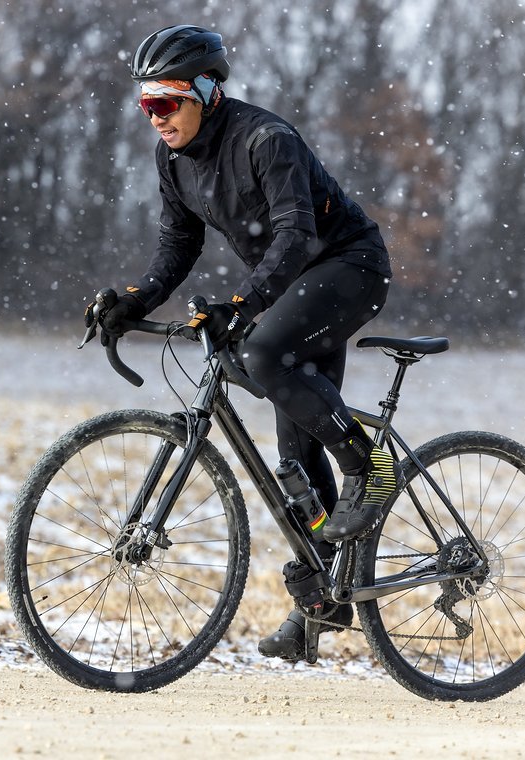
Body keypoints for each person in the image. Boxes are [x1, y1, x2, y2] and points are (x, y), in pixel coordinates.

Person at [91, 25, 397, 660]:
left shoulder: (266, 139)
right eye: (147, 105)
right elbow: (179, 246)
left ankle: (373, 466)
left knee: (261, 354)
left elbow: (296, 235)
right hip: (294, 283)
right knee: (295, 459)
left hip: (348, 268)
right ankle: (326, 601)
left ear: (207, 91)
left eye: (167, 102)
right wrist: (134, 301)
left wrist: (244, 305)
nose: (157, 118)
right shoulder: (173, 159)